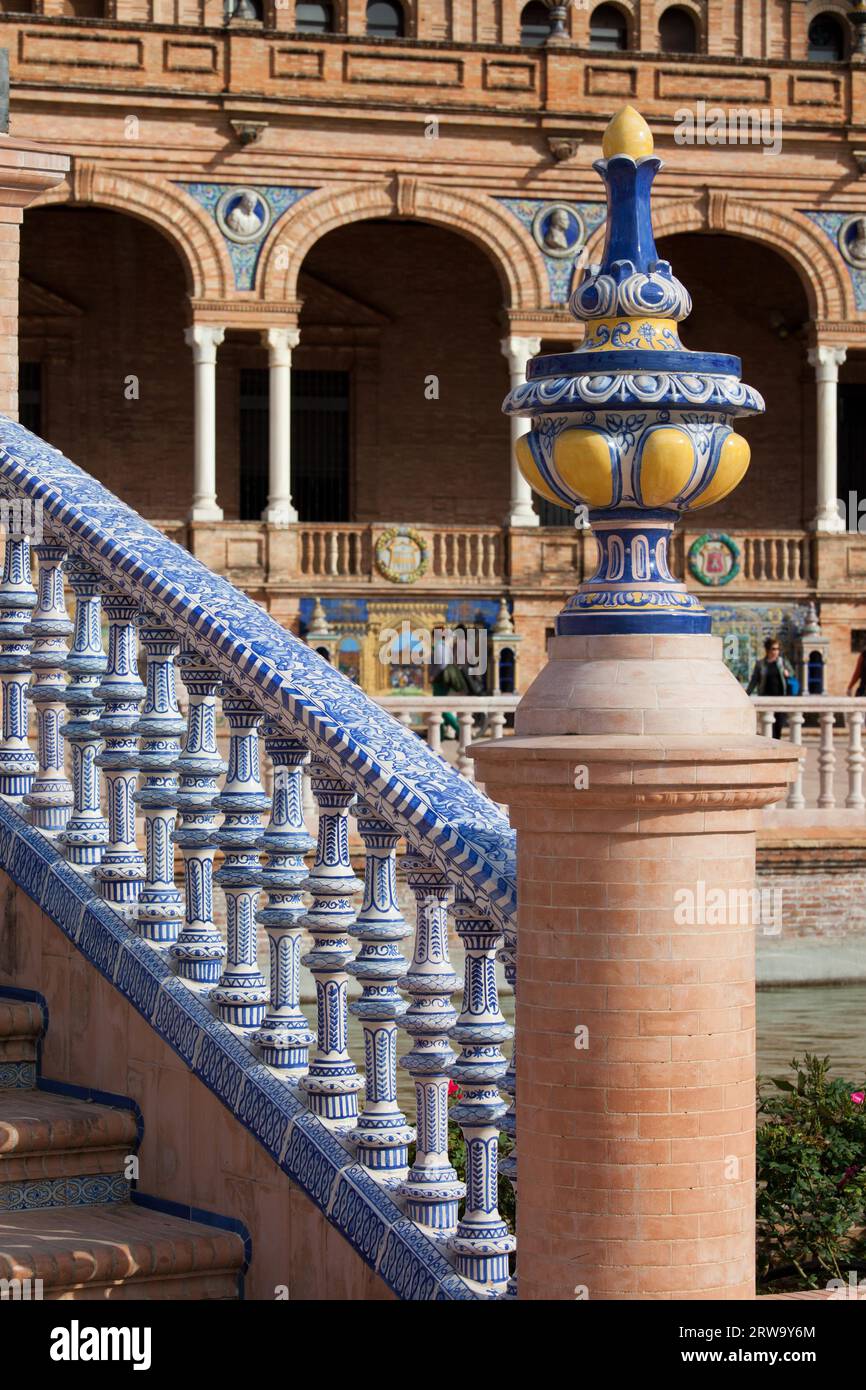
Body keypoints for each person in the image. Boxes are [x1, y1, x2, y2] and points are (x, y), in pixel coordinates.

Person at [746, 636, 795, 738]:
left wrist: (788, 673)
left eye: (777, 649)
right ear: (768, 650)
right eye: (773, 649)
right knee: (768, 725)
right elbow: (754, 680)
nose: (776, 651)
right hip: (766, 697)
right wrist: (746, 694)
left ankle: (777, 747)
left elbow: (792, 672)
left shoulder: (782, 662)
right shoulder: (760, 664)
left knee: (778, 725)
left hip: (780, 697)